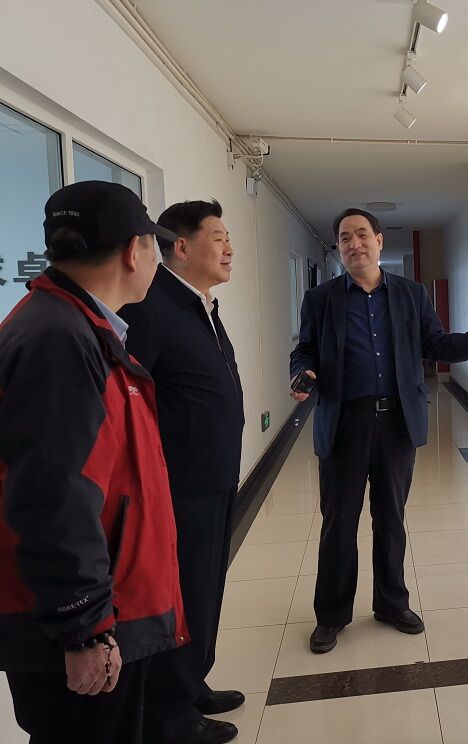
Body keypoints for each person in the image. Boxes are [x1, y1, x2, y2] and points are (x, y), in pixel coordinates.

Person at [0, 181, 188, 743]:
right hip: (80, 628)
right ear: (133, 251)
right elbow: (53, 497)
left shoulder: (74, 325)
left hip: (95, 612)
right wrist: (83, 629)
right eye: (154, 246)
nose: (155, 260)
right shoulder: (59, 340)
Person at [290, 207, 468, 654]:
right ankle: (331, 616)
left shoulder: (410, 294)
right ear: (339, 248)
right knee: (338, 524)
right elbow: (305, 349)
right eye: (345, 238)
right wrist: (303, 373)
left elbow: (433, 342)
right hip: (343, 423)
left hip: (396, 425)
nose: (354, 244)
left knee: (391, 519)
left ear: (379, 241)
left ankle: (392, 604)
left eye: (362, 235)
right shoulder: (321, 299)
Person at [119, 200, 244, 744]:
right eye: (218, 237)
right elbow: (131, 401)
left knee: (205, 588)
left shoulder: (201, 305)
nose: (229, 248)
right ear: (182, 246)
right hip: (179, 485)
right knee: (182, 595)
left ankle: (192, 684)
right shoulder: (153, 308)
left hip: (214, 476)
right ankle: (170, 716)